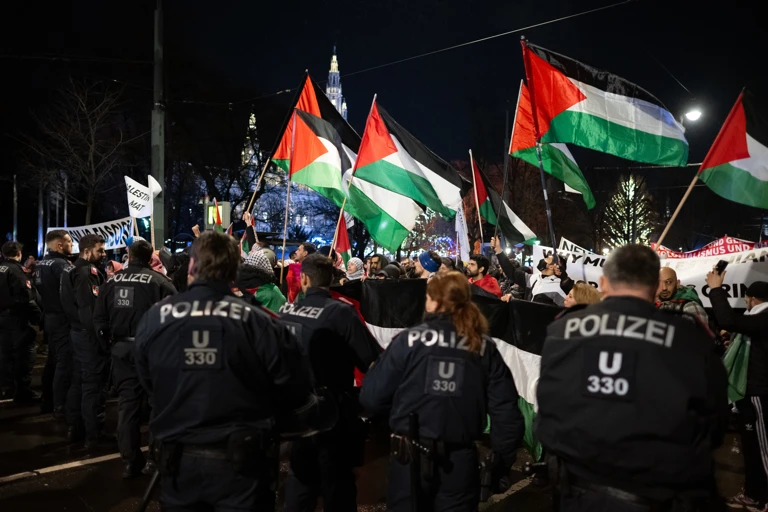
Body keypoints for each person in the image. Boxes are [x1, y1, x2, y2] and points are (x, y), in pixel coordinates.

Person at [135, 231, 330, 511]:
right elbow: (293, 388)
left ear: (191, 267)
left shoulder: (155, 318)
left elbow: (148, 380)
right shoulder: (260, 322)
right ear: (234, 271)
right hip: (241, 466)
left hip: (178, 460)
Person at [537, 244, 729, 511]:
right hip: (658, 492)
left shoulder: (561, 330)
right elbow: (715, 422)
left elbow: (548, 405)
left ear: (603, 283)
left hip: (580, 491)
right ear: (654, 286)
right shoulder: (688, 338)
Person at [360, 271, 524, 511]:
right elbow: (507, 414)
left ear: (434, 301)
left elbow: (371, 397)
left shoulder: (408, 340)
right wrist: (499, 465)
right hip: (459, 460)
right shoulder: (481, 346)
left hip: (409, 458)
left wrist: (398, 417)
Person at [279, 254, 381, 512]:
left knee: (300, 485)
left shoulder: (285, 310)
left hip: (297, 413)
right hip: (333, 415)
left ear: (304, 280)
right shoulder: (341, 312)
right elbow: (371, 360)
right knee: (337, 489)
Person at [93, 239, 176, 478]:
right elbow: (177, 317)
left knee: (127, 405)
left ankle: (130, 461)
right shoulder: (160, 282)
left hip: (122, 350)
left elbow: (99, 321)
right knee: (157, 406)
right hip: (152, 351)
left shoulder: (110, 282)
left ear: (128, 254)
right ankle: (154, 459)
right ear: (150, 257)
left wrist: (109, 347)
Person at [705, 272, 768, 510]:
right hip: (748, 394)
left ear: (751, 299)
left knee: (763, 449)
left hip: (758, 394)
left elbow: (729, 320)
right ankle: (753, 494)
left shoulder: (764, 317)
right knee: (751, 449)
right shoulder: (757, 320)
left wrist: (716, 289)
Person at [60, 234, 108, 446]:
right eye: (100, 250)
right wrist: (101, 338)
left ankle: (75, 427)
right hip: (87, 336)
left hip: (75, 332)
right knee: (92, 384)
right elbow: (89, 310)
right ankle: (93, 434)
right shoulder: (87, 272)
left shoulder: (70, 269)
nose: (104, 254)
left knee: (79, 380)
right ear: (87, 251)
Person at [36, 230, 74, 416]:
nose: (71, 244)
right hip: (61, 318)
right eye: (69, 241)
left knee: (52, 361)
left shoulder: (41, 264)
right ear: (60, 245)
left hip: (49, 317)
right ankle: (60, 405)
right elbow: (69, 295)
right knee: (64, 362)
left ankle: (47, 400)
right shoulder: (61, 266)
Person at [0, 241, 42, 402]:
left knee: (5, 354)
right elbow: (27, 298)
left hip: (2, 318)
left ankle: (7, 388)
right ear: (18, 254)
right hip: (16, 318)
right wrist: (38, 319)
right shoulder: (16, 271)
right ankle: (22, 390)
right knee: (24, 354)